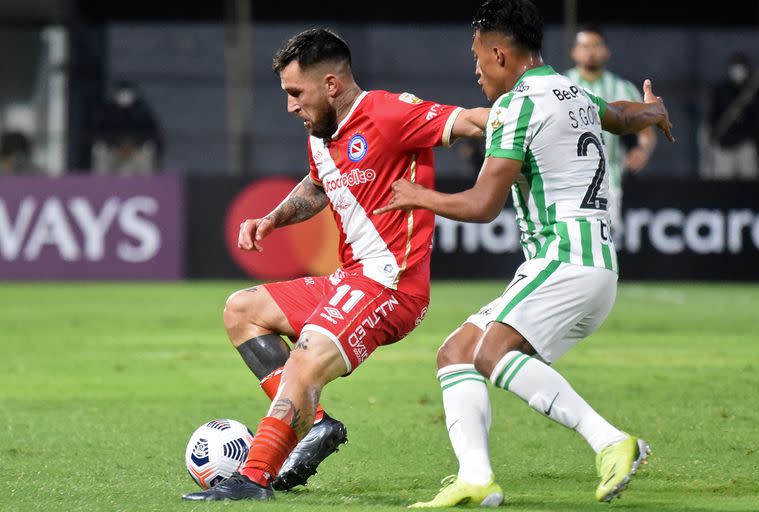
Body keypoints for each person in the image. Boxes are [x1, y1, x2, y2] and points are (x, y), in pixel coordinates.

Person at [374, 0, 674, 506]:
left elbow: (483, 204)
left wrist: (417, 195)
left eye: (476, 59)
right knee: (457, 353)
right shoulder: (573, 90)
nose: (474, 72)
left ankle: (611, 442)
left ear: (498, 53)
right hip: (589, 266)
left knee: (492, 354)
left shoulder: (516, 107)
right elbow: (621, 118)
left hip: (565, 260)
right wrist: (654, 112)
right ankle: (476, 479)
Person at [182, 28, 489, 501]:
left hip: (391, 285)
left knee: (305, 360)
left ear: (330, 85)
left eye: (295, 93)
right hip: (351, 278)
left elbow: (470, 121)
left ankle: (254, 478)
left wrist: (542, 112)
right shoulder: (321, 133)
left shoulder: (388, 113)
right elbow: (317, 185)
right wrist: (273, 218)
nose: (290, 106)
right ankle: (316, 427)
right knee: (241, 311)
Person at [565, 24, 657, 247]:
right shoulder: (562, 85)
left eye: (596, 45)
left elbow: (646, 130)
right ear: (574, 52)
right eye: (585, 46)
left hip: (608, 180)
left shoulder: (621, 88)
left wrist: (642, 149)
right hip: (566, 179)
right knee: (570, 243)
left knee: (602, 241)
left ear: (606, 51)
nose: (591, 51)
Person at [704, 53, 759, 180]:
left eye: (741, 66)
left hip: (746, 144)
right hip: (725, 144)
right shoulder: (721, 91)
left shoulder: (754, 91)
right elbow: (712, 116)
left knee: (750, 178)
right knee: (723, 180)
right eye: (736, 66)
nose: (739, 71)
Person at [91, 80, 163, 175]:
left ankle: (147, 187)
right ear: (115, 94)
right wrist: (115, 144)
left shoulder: (142, 110)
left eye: (127, 93)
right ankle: (99, 187)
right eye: (121, 93)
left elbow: (152, 134)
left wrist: (135, 144)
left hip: (136, 150)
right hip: (114, 149)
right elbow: (99, 133)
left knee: (148, 150)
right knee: (99, 150)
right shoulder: (107, 110)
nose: (124, 96)